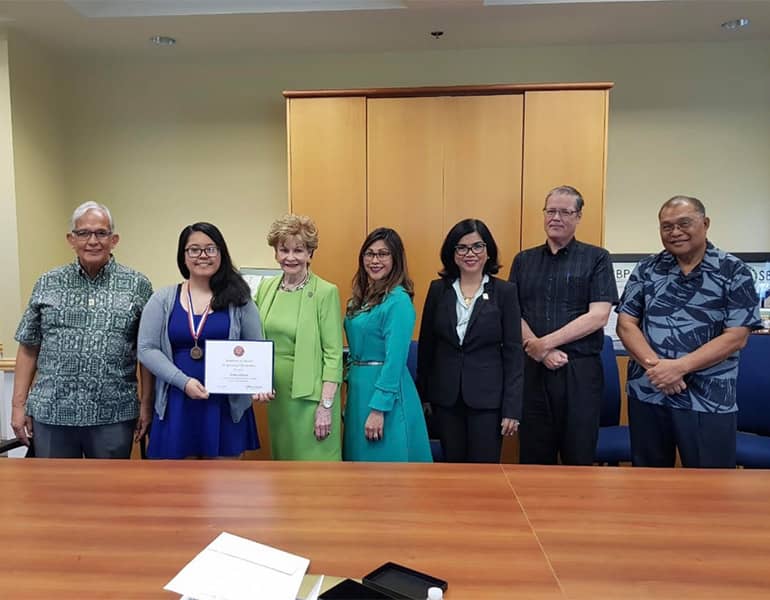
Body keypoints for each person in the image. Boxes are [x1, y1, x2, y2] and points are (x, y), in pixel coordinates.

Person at [616, 196, 761, 468]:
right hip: (649, 390)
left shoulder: (733, 271)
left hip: (708, 399)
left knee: (711, 487)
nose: (675, 232)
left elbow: (736, 336)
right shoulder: (647, 268)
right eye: (666, 226)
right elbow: (626, 323)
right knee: (647, 484)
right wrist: (658, 368)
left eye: (684, 223)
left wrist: (679, 368)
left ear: (705, 224)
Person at [12, 201, 153, 458]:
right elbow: (29, 346)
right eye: (83, 233)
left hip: (113, 414)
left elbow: (146, 352)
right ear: (71, 239)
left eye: (101, 233)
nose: (92, 241)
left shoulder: (138, 285)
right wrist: (18, 406)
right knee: (55, 494)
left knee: (109, 494)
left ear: (114, 239)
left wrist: (146, 405)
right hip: (52, 413)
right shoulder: (47, 282)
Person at [509, 185, 618, 465]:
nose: (556, 218)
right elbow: (512, 313)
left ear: (579, 216)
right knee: (534, 455)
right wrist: (541, 352)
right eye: (551, 211)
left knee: (578, 456)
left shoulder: (597, 258)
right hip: (533, 370)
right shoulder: (524, 260)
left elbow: (598, 315)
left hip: (579, 370)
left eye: (565, 212)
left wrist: (545, 344)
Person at [138, 222, 266, 459]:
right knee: (177, 490)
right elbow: (146, 348)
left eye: (210, 249)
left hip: (224, 407)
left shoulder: (240, 299)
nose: (203, 256)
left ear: (221, 253)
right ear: (183, 256)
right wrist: (183, 381)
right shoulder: (163, 298)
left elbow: (255, 348)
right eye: (194, 249)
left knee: (225, 490)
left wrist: (261, 384)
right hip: (177, 401)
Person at [417, 219, 523, 463]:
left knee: (484, 473)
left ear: (488, 252)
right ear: (452, 254)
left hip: (487, 401)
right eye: (462, 248)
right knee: (452, 472)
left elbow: (514, 354)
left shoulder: (505, 293)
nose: (470, 253)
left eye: (477, 246)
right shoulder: (438, 290)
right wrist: (424, 397)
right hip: (446, 399)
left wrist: (512, 409)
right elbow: (427, 348)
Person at [255, 214, 343, 460]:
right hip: (277, 397)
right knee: (284, 471)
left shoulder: (326, 292)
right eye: (284, 250)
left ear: (310, 254)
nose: (290, 257)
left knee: (315, 474)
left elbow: (333, 354)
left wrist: (325, 407)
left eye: (299, 250)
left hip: (311, 399)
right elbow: (253, 338)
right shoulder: (266, 288)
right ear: (275, 252)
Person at [344, 227, 432, 462]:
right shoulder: (358, 300)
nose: (375, 260)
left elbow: (395, 360)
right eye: (369, 253)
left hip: (385, 397)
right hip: (358, 391)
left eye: (383, 254)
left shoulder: (398, 300)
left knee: (384, 471)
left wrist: (379, 409)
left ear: (395, 259)